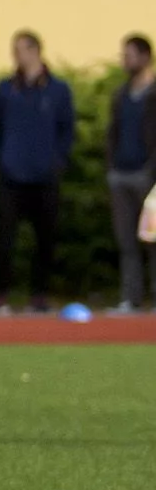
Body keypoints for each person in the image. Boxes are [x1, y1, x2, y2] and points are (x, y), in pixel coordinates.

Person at [0, 31, 75, 314]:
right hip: (11, 176)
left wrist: (57, 161)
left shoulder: (58, 90)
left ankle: (39, 296)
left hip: (45, 177)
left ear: (35, 51)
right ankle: (0, 296)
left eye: (20, 50)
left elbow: (67, 129)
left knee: (45, 239)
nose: (16, 56)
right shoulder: (6, 89)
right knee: (4, 238)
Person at [105, 34, 156, 313]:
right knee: (126, 242)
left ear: (145, 57)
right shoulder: (120, 95)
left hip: (149, 177)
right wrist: (111, 167)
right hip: (121, 175)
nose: (124, 60)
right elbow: (112, 133)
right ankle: (130, 298)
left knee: (153, 238)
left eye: (129, 55)